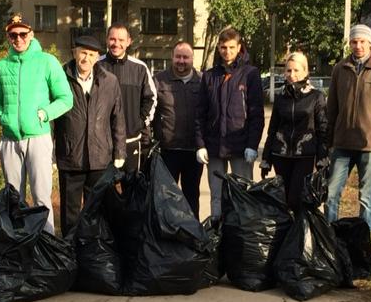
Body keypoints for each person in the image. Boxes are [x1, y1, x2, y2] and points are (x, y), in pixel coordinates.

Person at [0, 13, 74, 234]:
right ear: (8, 36)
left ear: (31, 34)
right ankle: (17, 244)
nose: (18, 39)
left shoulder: (47, 62)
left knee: (41, 196)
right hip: (10, 139)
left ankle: (47, 244)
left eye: (23, 34)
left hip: (38, 138)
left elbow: (66, 99)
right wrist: (0, 117)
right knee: (13, 197)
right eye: (13, 35)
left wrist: (44, 114)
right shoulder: (1, 66)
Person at [325, 23, 371, 231]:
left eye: (362, 41)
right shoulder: (340, 68)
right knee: (331, 194)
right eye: (354, 42)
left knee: (366, 197)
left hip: (370, 143)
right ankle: (330, 239)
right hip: (342, 142)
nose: (358, 46)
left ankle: (363, 242)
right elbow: (332, 107)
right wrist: (328, 141)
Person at [53, 34, 125, 235]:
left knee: (97, 208)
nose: (86, 59)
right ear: (74, 53)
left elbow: (117, 117)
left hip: (100, 156)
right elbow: (52, 119)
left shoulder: (109, 81)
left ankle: (94, 249)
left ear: (97, 57)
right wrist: (50, 153)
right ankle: (70, 250)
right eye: (83, 53)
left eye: (92, 55)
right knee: (70, 211)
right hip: (70, 156)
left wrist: (119, 152)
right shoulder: (60, 78)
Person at [195, 26, 264, 218]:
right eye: (224, 47)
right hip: (214, 146)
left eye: (232, 47)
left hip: (240, 146)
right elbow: (200, 113)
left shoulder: (250, 74)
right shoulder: (209, 76)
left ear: (239, 47)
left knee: (243, 196)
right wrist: (200, 145)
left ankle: (243, 238)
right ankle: (218, 235)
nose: (228, 52)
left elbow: (256, 113)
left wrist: (252, 145)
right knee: (216, 196)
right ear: (218, 48)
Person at [261, 51, 329, 213]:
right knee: (283, 200)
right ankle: (287, 236)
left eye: (296, 70)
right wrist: (266, 159)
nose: (292, 75)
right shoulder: (280, 97)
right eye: (289, 70)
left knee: (295, 198)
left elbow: (323, 129)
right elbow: (272, 129)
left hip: (304, 155)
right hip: (280, 154)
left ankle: (299, 234)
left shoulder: (316, 97)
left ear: (306, 72)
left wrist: (322, 158)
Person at [152, 41, 203, 213]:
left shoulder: (202, 81)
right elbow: (149, 113)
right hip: (168, 151)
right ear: (172, 57)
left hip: (193, 152)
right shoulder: (159, 80)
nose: (181, 61)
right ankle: (168, 235)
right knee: (166, 197)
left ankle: (192, 235)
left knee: (191, 196)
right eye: (178, 57)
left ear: (192, 59)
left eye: (185, 57)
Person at [99, 23, 156, 173]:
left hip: (131, 140)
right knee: (104, 192)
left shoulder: (140, 68)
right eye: (112, 39)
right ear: (106, 40)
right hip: (103, 142)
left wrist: (140, 121)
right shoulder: (97, 66)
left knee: (131, 190)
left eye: (121, 40)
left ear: (129, 41)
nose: (116, 44)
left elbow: (151, 98)